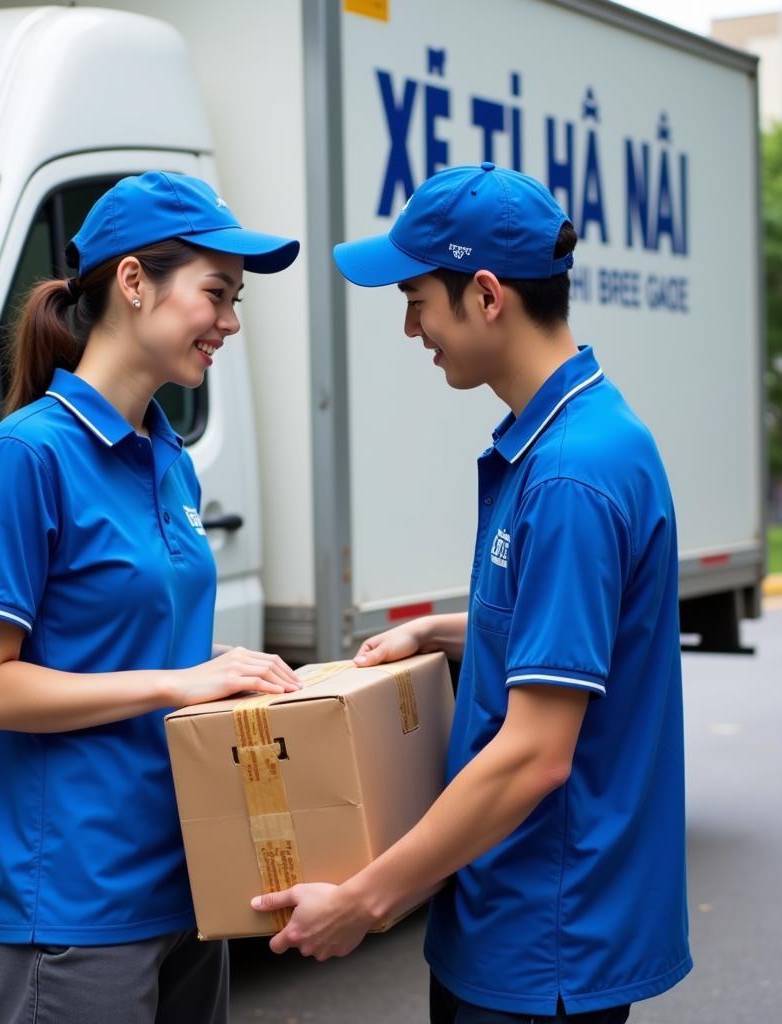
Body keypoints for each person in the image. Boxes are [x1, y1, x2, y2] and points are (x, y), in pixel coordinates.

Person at [252, 162, 691, 1022]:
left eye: (417, 297)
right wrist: (443, 634)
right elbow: (564, 636)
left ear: (487, 295)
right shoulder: (578, 434)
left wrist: (366, 899)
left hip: (543, 941)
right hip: (523, 923)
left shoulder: (571, 474)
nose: (412, 325)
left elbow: (536, 753)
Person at [0, 171, 301, 1024]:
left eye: (236, 298)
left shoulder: (167, 455)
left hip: (190, 886)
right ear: (134, 282)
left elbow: (120, 640)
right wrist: (178, 682)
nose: (230, 321)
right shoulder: (26, 457)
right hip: (78, 911)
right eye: (216, 293)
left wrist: (225, 667)